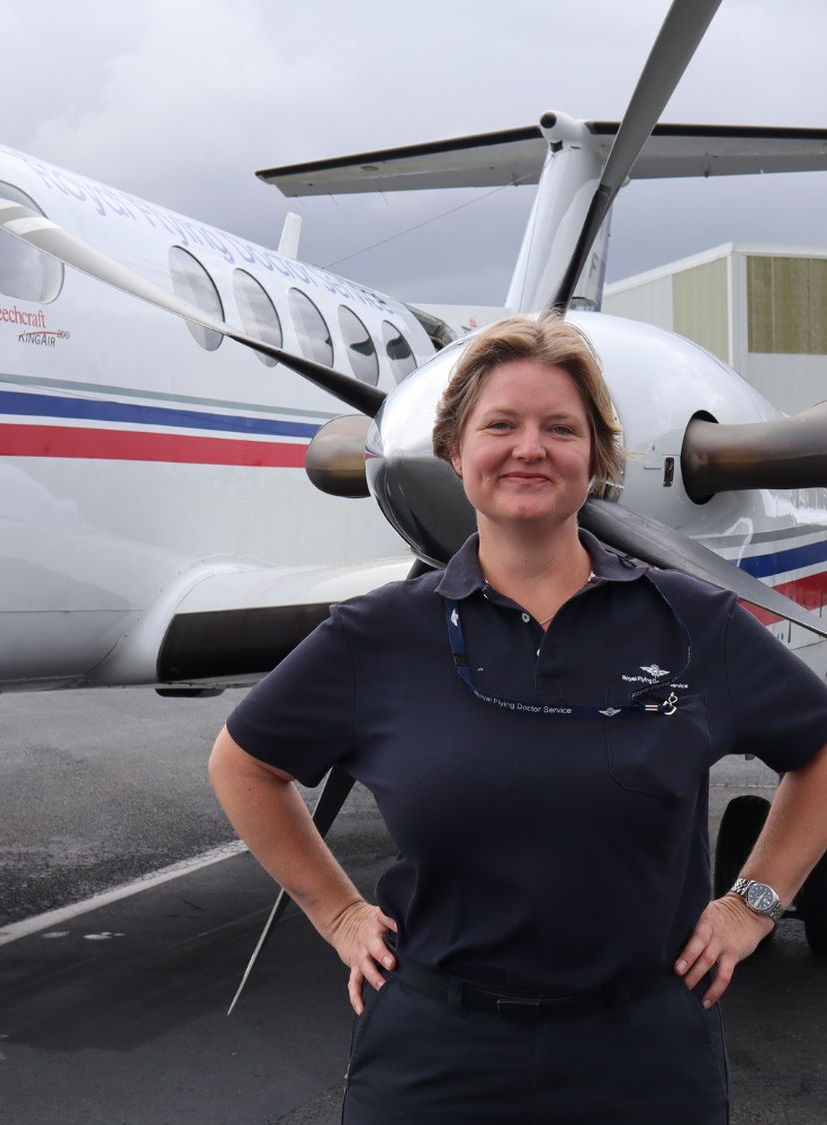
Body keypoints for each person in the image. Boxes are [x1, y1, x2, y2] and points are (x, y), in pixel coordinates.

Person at [209, 315, 827, 1124]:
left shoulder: (691, 621)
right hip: (439, 1054)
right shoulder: (377, 635)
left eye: (559, 428)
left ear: (596, 458)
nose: (529, 448)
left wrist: (753, 902)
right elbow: (244, 763)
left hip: (645, 1055)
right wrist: (340, 912)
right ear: (455, 453)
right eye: (500, 425)